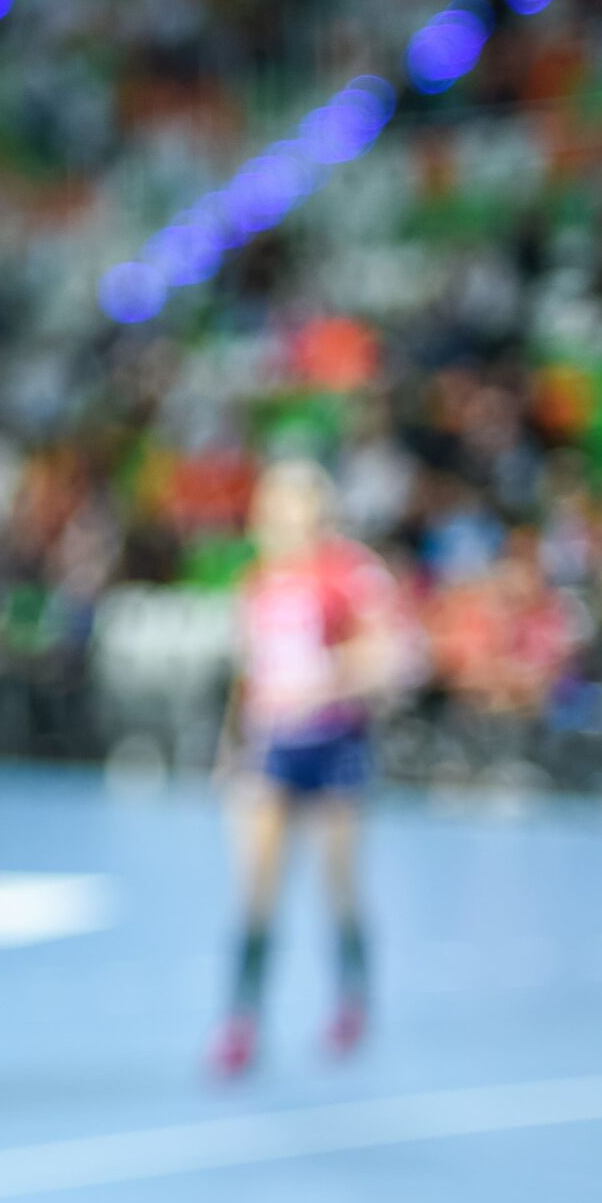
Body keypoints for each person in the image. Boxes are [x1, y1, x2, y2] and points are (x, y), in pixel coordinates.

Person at [210, 456, 404, 1080]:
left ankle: (352, 998)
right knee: (256, 888)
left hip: (335, 742)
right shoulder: (259, 582)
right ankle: (241, 1021)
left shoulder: (349, 574)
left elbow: (388, 657)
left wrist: (325, 687)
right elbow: (249, 675)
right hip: (272, 746)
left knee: (338, 881)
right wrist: (231, 744)